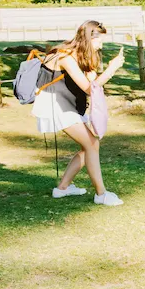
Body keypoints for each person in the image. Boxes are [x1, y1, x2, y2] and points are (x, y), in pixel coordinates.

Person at [32, 20, 125, 205]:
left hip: (66, 104)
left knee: (89, 145)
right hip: (56, 105)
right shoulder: (65, 57)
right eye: (99, 41)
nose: (101, 46)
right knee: (92, 144)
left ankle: (62, 188)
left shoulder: (76, 54)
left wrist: (94, 72)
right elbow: (90, 89)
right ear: (89, 38)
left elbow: (92, 84)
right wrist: (112, 69)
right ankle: (101, 194)